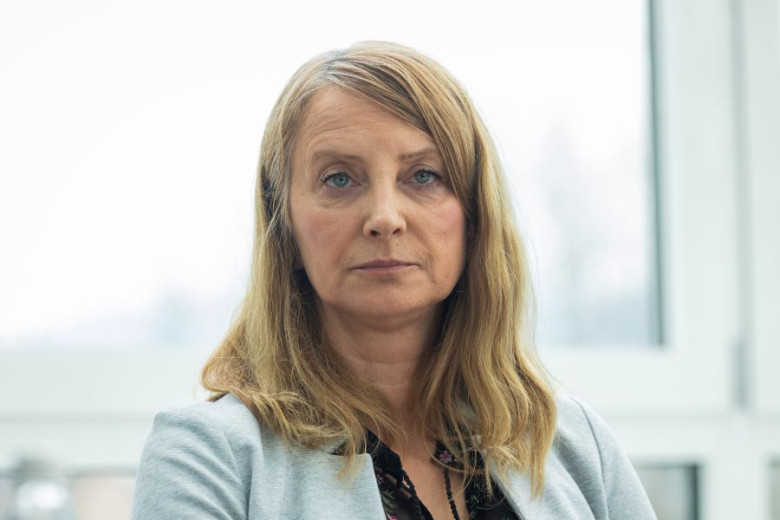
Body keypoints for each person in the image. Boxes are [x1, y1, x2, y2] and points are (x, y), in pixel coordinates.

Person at [131, 41, 656, 520]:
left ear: (473, 217)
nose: (385, 216)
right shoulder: (205, 456)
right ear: (284, 227)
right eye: (339, 179)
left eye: (423, 176)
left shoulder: (571, 441)